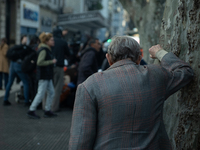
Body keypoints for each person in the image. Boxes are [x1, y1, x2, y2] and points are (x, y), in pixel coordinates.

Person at [69, 36, 194, 149]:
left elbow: (80, 140)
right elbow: (185, 72)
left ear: (108, 58)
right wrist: (160, 53)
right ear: (140, 57)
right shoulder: (156, 75)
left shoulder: (89, 85)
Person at [27, 32, 57, 119]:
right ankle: (31, 110)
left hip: (46, 75)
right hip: (44, 75)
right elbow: (39, 62)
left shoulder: (46, 49)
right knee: (41, 94)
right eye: (51, 40)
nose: (53, 41)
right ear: (46, 41)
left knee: (51, 92)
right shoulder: (44, 50)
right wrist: (52, 61)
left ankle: (47, 110)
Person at [43, 26, 70, 113]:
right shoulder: (63, 42)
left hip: (48, 67)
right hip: (59, 66)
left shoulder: (48, 42)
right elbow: (68, 53)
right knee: (57, 88)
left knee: (47, 87)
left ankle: (45, 106)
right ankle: (54, 107)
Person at [3, 35, 31, 106]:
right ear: (22, 40)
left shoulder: (15, 47)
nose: (26, 40)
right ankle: (26, 100)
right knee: (26, 82)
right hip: (19, 65)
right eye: (25, 39)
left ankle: (5, 99)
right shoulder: (25, 48)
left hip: (13, 64)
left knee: (10, 82)